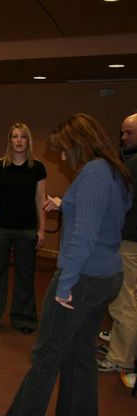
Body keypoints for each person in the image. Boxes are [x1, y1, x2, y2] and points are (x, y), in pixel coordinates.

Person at [0, 113, 132, 416]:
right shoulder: (114, 170)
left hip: (82, 278)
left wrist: (65, 284)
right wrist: (66, 203)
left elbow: (84, 236)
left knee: (46, 355)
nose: (63, 157)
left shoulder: (93, 172)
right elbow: (108, 215)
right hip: (106, 275)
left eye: (65, 150)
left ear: (78, 143)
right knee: (79, 354)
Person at [0, 123, 46, 334]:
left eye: (22, 137)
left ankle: (24, 319)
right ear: (9, 140)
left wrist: (41, 229)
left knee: (25, 275)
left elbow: (40, 199)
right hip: (0, 228)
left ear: (28, 141)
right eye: (14, 137)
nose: (18, 141)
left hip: (26, 229)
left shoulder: (37, 168)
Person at [96, 113, 137, 389]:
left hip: (130, 240)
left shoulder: (133, 164)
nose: (123, 138)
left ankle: (121, 357)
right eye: (122, 133)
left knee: (124, 299)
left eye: (128, 133)